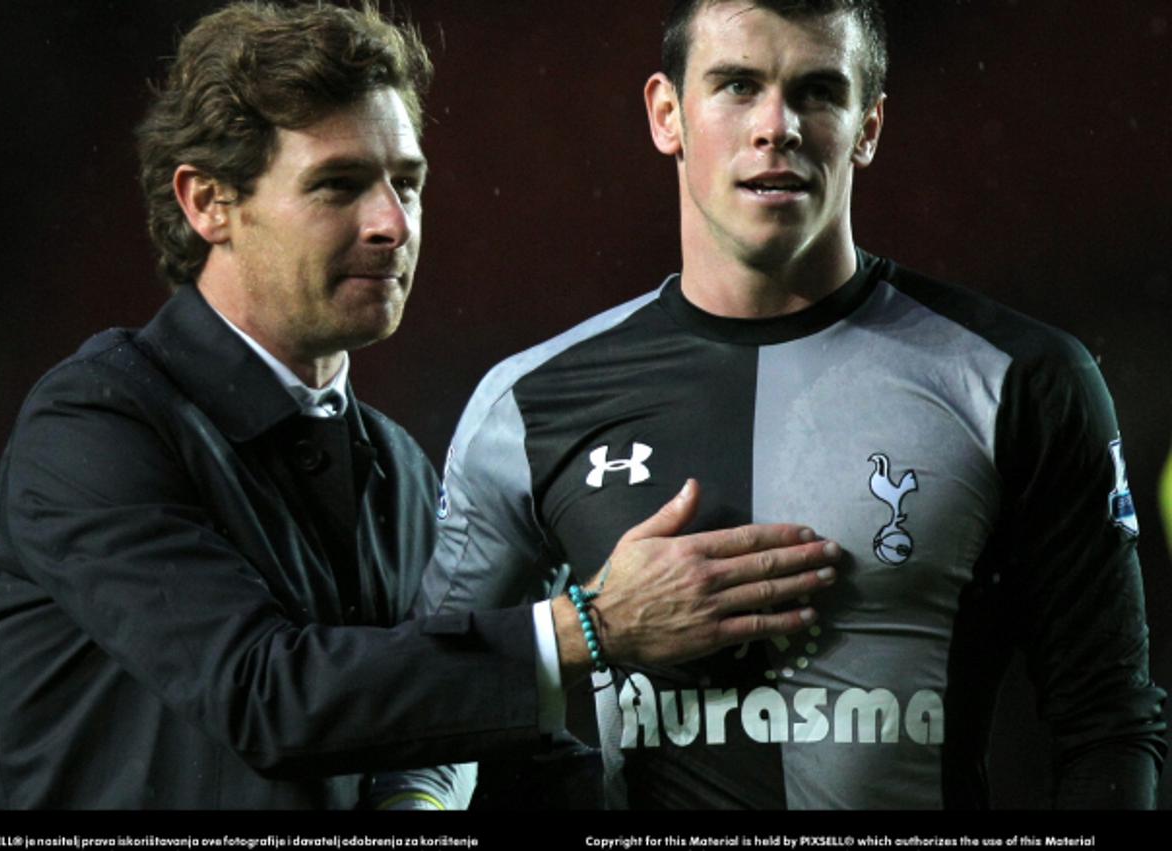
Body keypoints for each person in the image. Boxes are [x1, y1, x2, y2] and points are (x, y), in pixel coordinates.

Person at [0, 0, 845, 810]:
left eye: (408, 181)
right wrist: (593, 625)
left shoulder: (392, 464)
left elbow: (453, 732)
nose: (394, 223)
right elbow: (266, 695)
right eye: (338, 185)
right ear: (209, 202)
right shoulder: (95, 425)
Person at [417, 0, 1166, 808]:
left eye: (817, 91)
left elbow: (1108, 726)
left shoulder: (1022, 379)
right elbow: (431, 709)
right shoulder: (528, 404)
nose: (778, 126)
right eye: (738, 86)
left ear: (869, 127)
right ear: (666, 114)